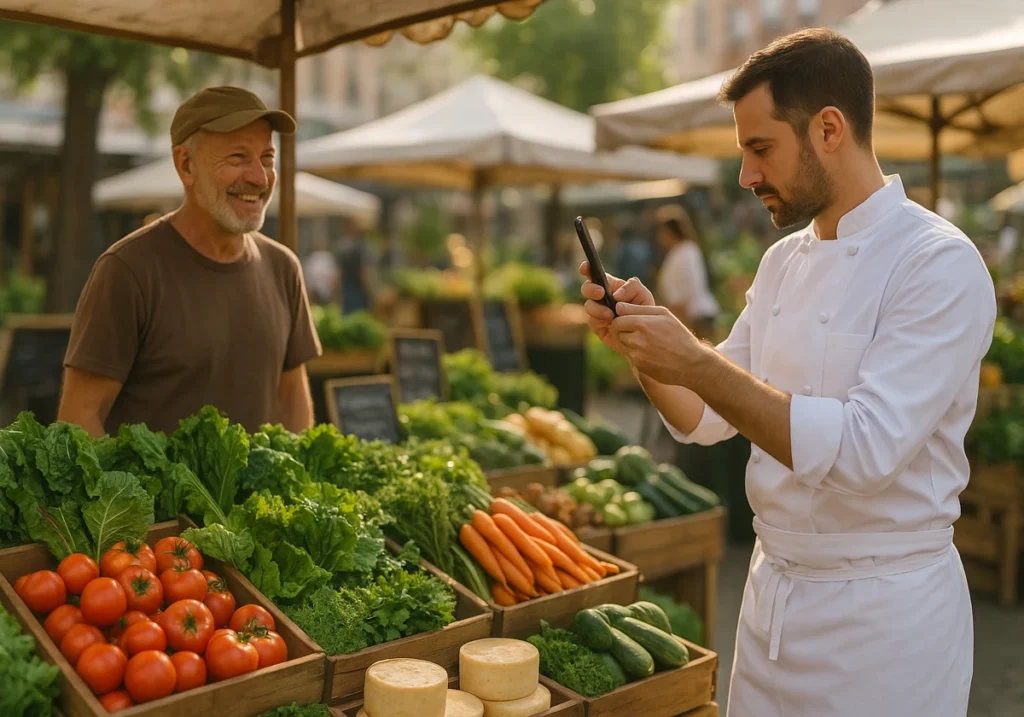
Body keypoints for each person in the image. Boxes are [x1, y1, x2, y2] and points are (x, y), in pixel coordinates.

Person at [581, 29, 994, 717]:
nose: (745, 176)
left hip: (884, 624)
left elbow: (864, 450)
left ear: (829, 128)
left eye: (759, 147)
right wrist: (644, 349)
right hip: (772, 601)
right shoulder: (782, 262)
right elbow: (703, 415)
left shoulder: (938, 264)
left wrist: (692, 357)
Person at [60, 86, 322, 438]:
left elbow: (292, 398)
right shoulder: (127, 270)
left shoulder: (283, 268)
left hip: (262, 495)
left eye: (267, 158)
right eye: (238, 157)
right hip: (147, 495)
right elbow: (79, 418)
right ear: (185, 164)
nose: (259, 178)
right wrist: (132, 495)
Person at [654, 205, 720, 340]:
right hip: (686, 317)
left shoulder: (687, 251)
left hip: (696, 317)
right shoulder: (676, 253)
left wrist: (683, 313)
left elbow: (691, 283)